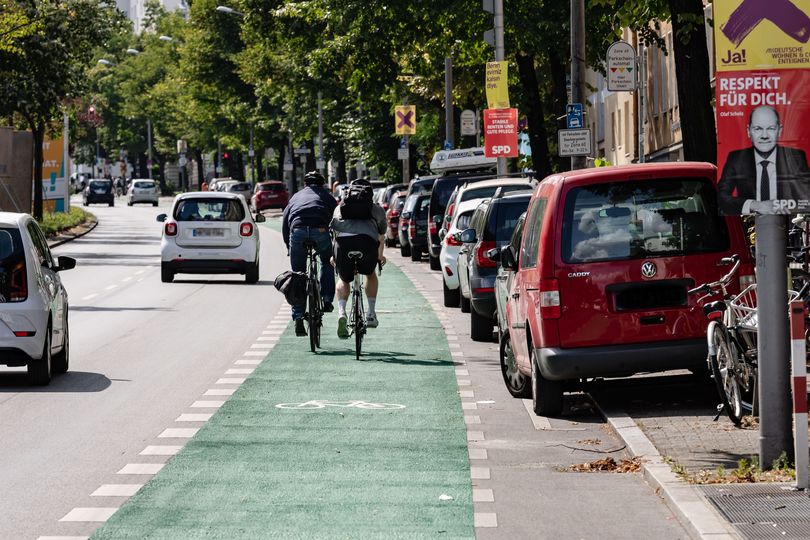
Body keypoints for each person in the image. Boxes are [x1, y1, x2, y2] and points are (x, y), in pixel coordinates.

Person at [718, 105, 810, 215]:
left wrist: (783, 206)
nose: (764, 135)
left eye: (770, 128)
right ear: (749, 131)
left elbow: (806, 196)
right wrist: (755, 205)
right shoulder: (737, 158)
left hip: (786, 223)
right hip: (750, 223)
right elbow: (721, 196)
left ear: (779, 131)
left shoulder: (795, 157)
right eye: (758, 129)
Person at [282, 170, 337, 337]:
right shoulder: (327, 196)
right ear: (322, 184)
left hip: (297, 231)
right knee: (327, 262)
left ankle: (298, 315)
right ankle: (326, 300)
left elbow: (285, 222)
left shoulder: (296, 197)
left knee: (298, 274)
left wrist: (288, 246)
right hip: (320, 231)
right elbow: (337, 217)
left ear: (305, 184)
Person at [330, 178, 387, 338]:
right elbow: (381, 235)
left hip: (344, 245)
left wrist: (334, 256)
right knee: (370, 274)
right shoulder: (377, 210)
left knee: (344, 278)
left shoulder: (339, 208)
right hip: (367, 244)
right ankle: (371, 313)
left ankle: (342, 312)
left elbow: (333, 233)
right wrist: (380, 256)